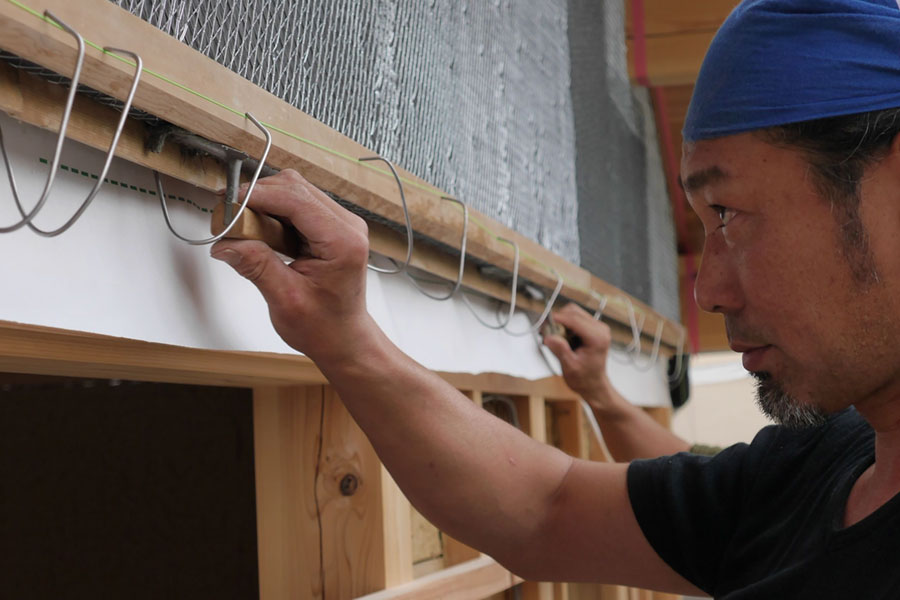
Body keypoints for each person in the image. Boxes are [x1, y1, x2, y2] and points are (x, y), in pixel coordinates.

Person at [209, 1, 900, 596]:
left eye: (728, 213)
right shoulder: (819, 465)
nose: (708, 291)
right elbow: (547, 509)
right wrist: (346, 339)